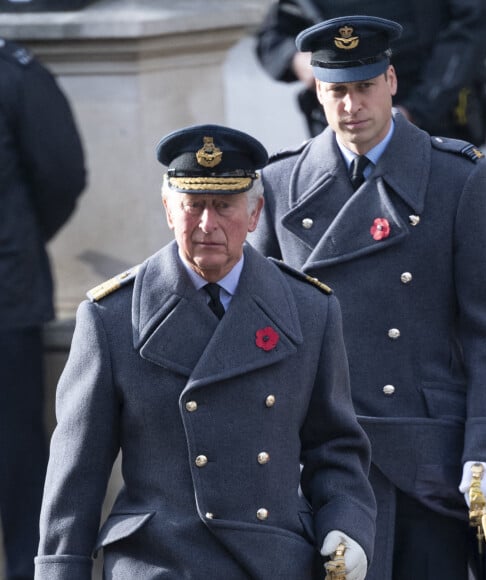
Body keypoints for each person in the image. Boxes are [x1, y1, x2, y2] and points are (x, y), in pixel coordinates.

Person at [248, 15, 486, 580]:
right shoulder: (281, 184)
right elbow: (261, 333)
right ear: (318, 93)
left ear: (392, 81)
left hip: (429, 456)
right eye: (337, 91)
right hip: (326, 457)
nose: (352, 105)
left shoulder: (457, 179)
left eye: (365, 86)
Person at [34, 124, 377, 580]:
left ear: (255, 214)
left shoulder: (309, 309)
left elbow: (335, 448)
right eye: (193, 205)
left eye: (224, 206)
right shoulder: (112, 317)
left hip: (271, 558)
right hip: (158, 560)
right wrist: (60, 569)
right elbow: (75, 474)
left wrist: (345, 526)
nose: (207, 225)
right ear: (168, 210)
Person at [0, 39, 86, 580]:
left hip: (5, 301)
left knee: (18, 459)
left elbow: (61, 175)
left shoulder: (16, 76)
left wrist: (18, 243)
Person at [255, 0, 486, 143]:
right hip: (345, 128)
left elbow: (474, 27)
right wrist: (299, 61)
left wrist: (414, 110)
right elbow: (272, 38)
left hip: (434, 118)